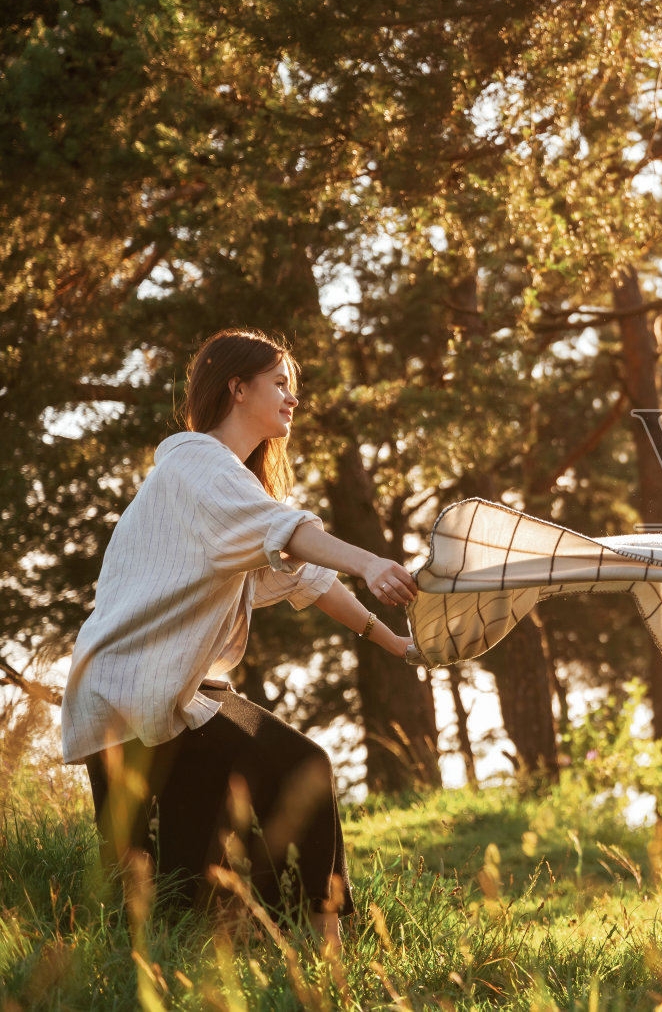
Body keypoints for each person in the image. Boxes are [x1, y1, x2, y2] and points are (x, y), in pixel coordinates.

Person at [60, 328, 420, 949]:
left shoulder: (236, 490)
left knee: (185, 885)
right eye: (280, 384)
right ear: (237, 387)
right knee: (145, 879)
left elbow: (310, 576)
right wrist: (370, 562)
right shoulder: (194, 461)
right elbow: (292, 535)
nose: (292, 399)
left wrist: (398, 645)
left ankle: (299, 941)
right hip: (126, 688)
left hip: (181, 697)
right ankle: (321, 934)